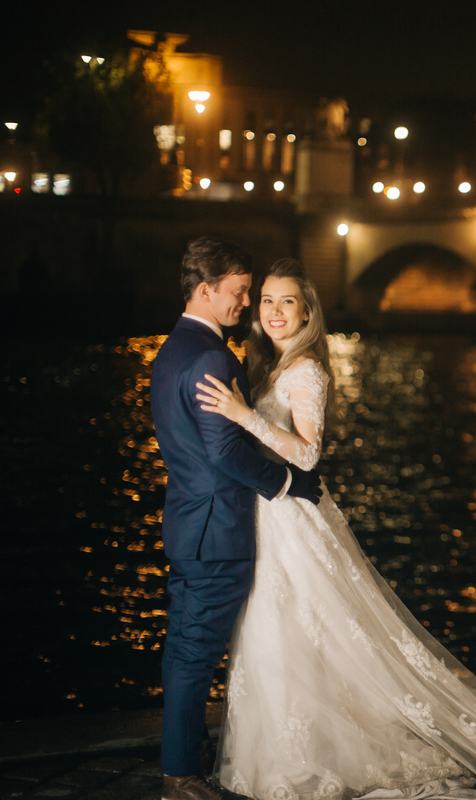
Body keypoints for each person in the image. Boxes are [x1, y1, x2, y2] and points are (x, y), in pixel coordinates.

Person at [195, 259, 476, 800]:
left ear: (308, 311)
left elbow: (310, 454)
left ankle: (307, 758)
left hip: (291, 516)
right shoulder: (272, 365)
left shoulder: (306, 370)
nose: (273, 311)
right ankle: (282, 751)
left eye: (286, 301)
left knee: (296, 629)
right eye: (266, 300)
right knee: (278, 633)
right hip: (269, 513)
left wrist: (245, 416)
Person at [151, 239, 323, 800]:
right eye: (240, 291)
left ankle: (184, 756)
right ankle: (181, 773)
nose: (248, 303)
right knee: (195, 653)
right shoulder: (213, 357)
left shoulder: (172, 350)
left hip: (187, 522)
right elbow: (224, 452)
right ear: (205, 291)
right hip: (218, 531)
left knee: (184, 647)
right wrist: (289, 483)